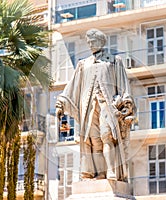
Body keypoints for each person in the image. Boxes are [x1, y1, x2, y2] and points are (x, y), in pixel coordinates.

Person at [56, 28, 135, 181]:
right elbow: (72, 87)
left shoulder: (113, 61)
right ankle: (99, 174)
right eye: (88, 42)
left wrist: (125, 103)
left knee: (107, 137)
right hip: (89, 108)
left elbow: (123, 86)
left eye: (93, 41)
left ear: (101, 42)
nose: (90, 44)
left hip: (107, 106)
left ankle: (112, 172)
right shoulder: (83, 64)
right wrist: (61, 104)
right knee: (94, 141)